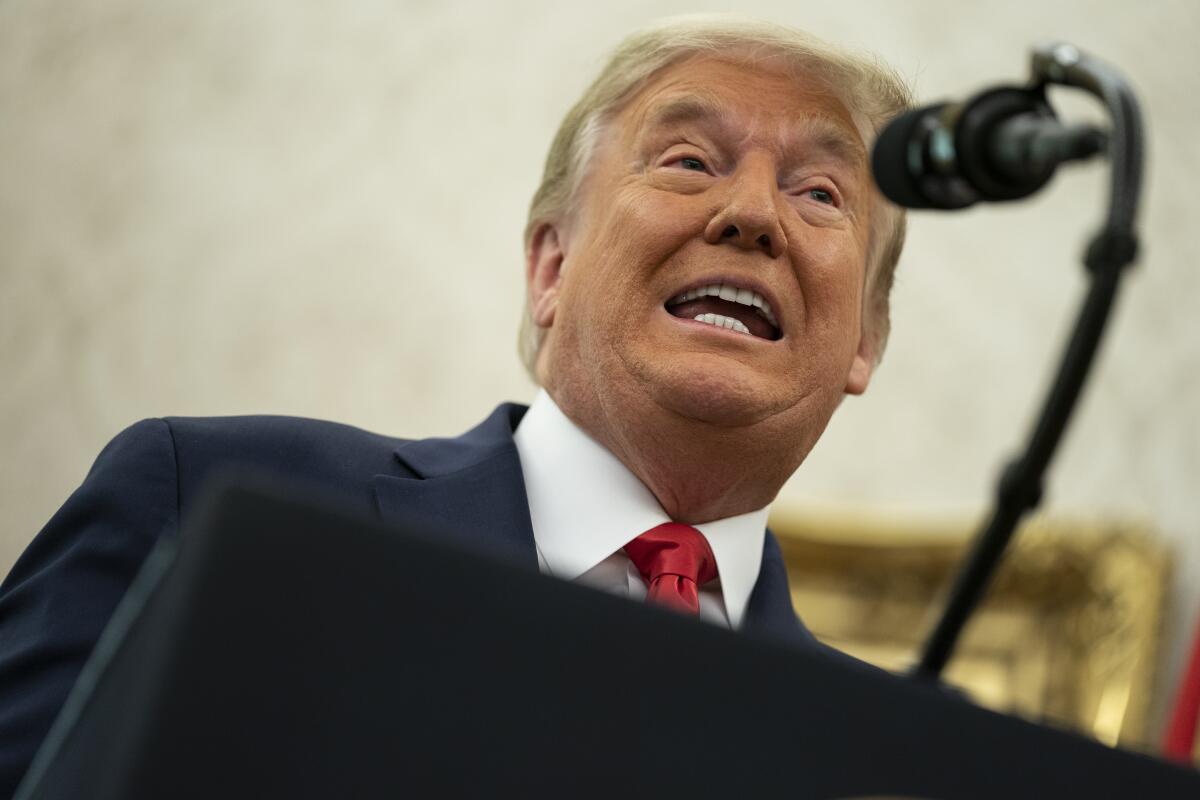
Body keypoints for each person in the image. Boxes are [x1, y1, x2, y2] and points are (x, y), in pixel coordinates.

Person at [0, 14, 912, 797]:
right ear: (551, 267)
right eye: (687, 160)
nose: (752, 212)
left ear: (863, 342)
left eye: (820, 194)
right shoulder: (196, 500)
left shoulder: (886, 757)